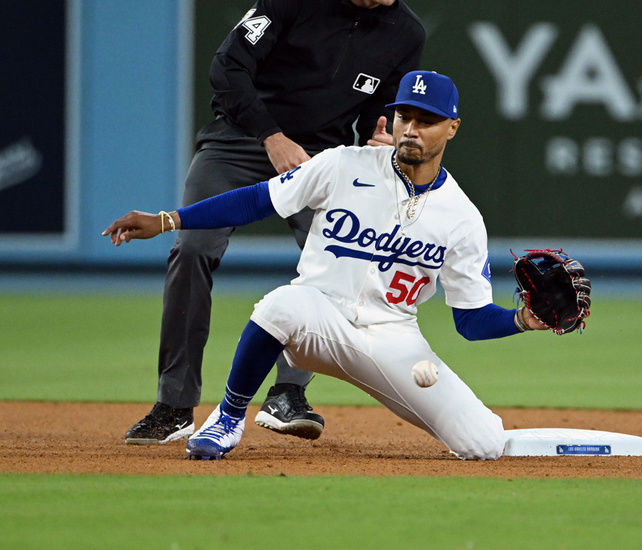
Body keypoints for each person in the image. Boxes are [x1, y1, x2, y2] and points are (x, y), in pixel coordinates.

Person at [104, 70, 549, 460]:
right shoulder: (342, 163)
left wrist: (523, 319)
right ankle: (229, 416)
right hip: (318, 320)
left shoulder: (463, 217)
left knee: (483, 445)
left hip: (394, 341)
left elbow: (469, 320)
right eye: (404, 117)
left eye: (426, 121)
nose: (411, 130)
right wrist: (169, 220)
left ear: (452, 127)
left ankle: (484, 431)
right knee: (281, 304)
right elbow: (259, 199)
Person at [124, 0, 426, 445]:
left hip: (322, 156)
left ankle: (288, 392)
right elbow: (228, 68)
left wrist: (382, 138)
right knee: (192, 250)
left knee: (336, 260)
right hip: (240, 142)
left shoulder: (405, 31)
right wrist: (272, 136)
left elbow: (377, 113)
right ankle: (174, 404)